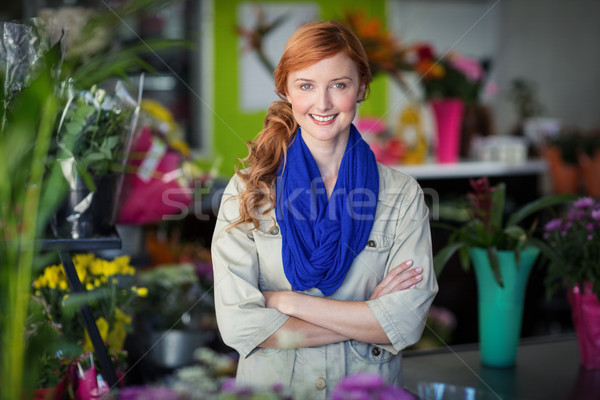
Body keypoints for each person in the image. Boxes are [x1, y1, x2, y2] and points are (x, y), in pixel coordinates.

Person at [211, 20, 438, 399]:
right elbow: (239, 326)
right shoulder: (248, 191)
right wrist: (367, 314)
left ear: (361, 87)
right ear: (285, 89)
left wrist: (288, 302)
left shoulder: (402, 196)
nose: (323, 103)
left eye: (339, 85)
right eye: (306, 86)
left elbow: (407, 321)